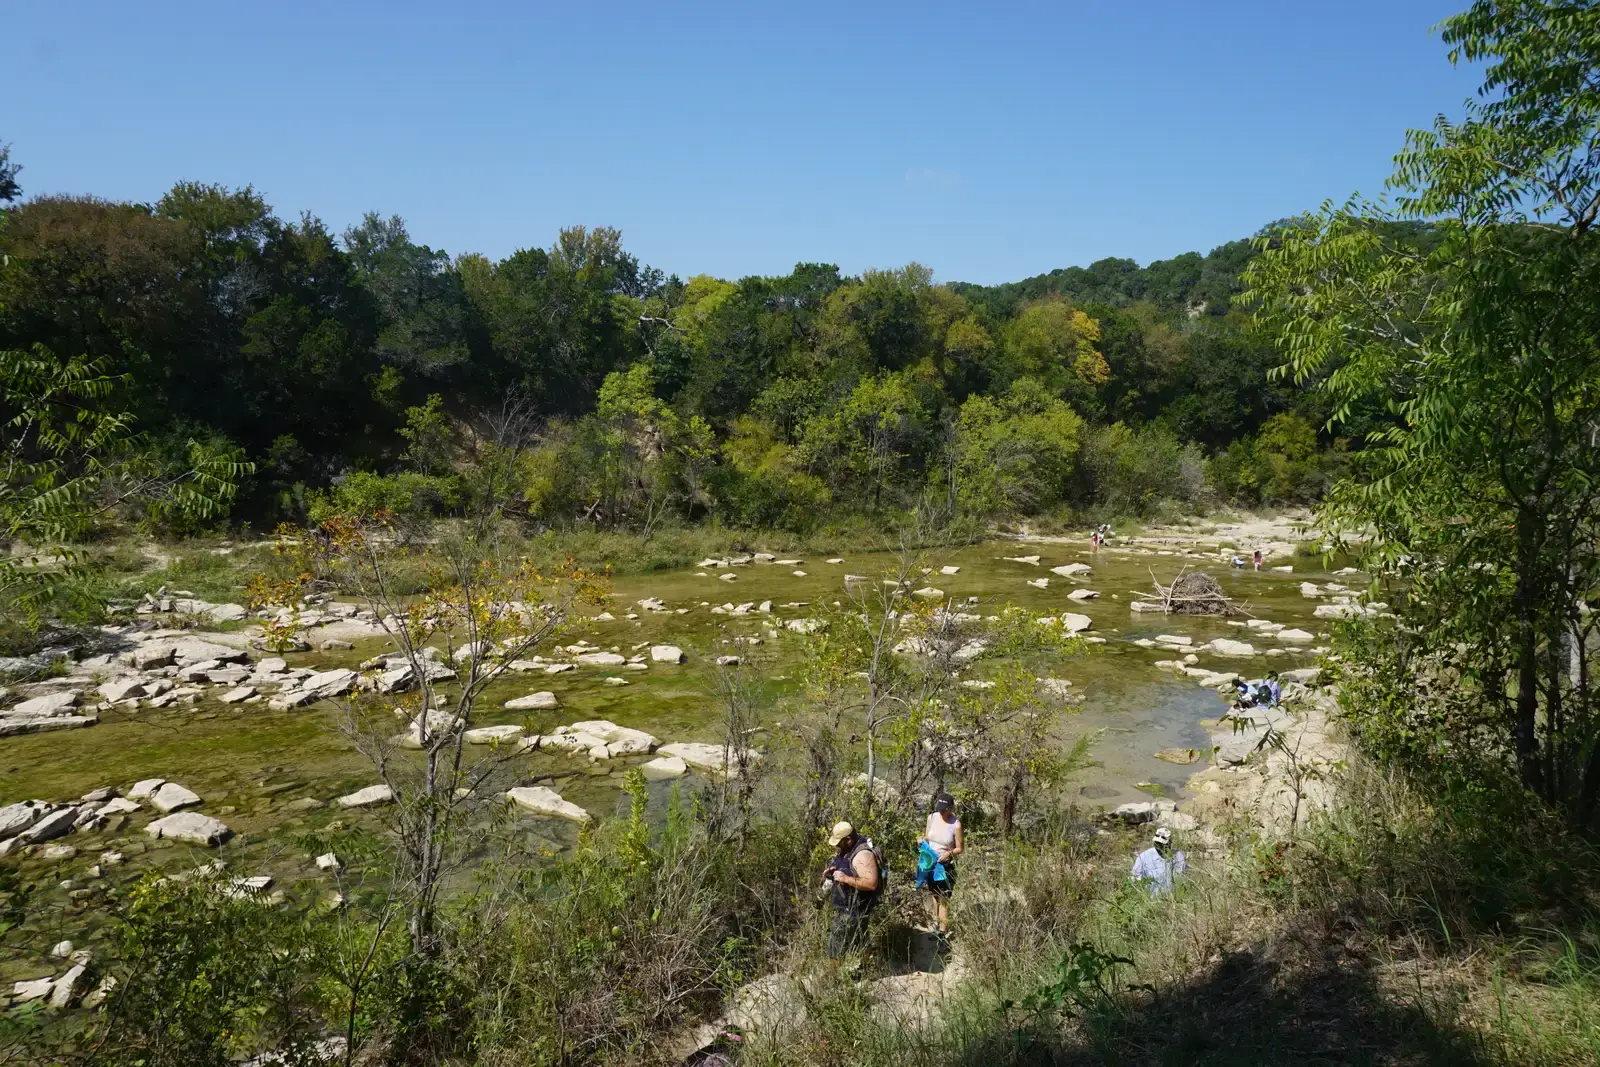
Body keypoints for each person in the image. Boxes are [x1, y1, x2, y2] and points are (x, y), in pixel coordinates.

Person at [823, 821, 881, 958]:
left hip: (855, 909)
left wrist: (846, 879)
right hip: (848, 908)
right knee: (859, 941)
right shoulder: (848, 850)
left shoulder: (862, 855)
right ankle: (865, 968)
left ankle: (833, 976)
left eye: (839, 842)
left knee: (835, 946)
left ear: (848, 840)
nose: (837, 845)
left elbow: (872, 883)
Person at [916, 793, 963, 935]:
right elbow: (928, 837)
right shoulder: (931, 818)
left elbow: (960, 848)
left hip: (945, 866)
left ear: (951, 808)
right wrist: (921, 841)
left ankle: (942, 933)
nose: (941, 812)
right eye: (940, 809)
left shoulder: (956, 825)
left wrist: (949, 853)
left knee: (944, 900)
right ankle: (937, 927)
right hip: (930, 863)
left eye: (944, 809)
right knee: (935, 896)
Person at [1130, 826, 1187, 898]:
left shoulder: (1178, 855)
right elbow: (1134, 878)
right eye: (1157, 843)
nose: (1158, 847)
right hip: (1151, 900)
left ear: (1169, 843)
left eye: (1162, 844)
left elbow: (1182, 877)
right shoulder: (1144, 857)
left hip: (1172, 899)